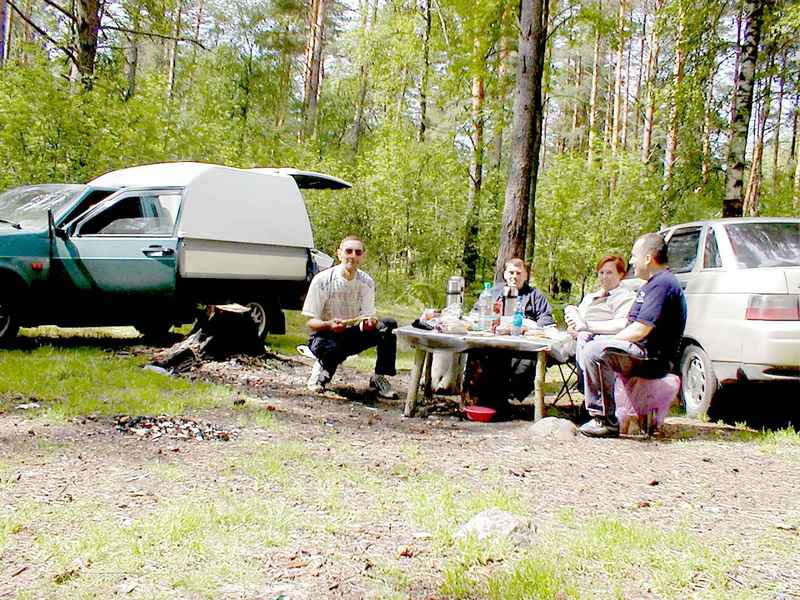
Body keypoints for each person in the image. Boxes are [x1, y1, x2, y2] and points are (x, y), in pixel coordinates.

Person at [579, 233, 687, 438]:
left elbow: (640, 330)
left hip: (652, 357)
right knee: (595, 344)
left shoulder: (662, 284)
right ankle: (604, 415)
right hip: (642, 352)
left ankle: (604, 420)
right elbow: (631, 325)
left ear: (648, 257)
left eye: (634, 255)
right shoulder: (653, 284)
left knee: (594, 351)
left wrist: (606, 342)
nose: (631, 261)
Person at [301, 235, 398, 398]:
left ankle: (379, 377)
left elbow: (366, 318)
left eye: (358, 252)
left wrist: (368, 324)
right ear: (339, 253)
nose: (353, 256)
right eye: (348, 251)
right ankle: (322, 371)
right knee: (331, 347)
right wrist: (329, 325)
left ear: (363, 256)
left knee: (389, 325)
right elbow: (311, 322)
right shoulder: (322, 280)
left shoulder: (366, 282)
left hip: (353, 333)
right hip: (325, 335)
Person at [463, 258, 554, 410]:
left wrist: (526, 327)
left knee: (527, 361)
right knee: (478, 352)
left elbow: (546, 320)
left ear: (525, 276)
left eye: (519, 273)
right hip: (492, 340)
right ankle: (476, 400)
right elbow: (475, 314)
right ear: (505, 274)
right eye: (511, 272)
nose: (514, 276)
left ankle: (503, 400)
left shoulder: (535, 296)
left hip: (522, 345)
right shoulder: (492, 293)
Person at [564, 255, 636, 381]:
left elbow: (620, 326)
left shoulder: (627, 297)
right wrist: (572, 325)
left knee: (585, 338)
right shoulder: (590, 297)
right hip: (578, 341)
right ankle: (588, 389)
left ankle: (592, 391)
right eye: (601, 272)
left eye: (609, 273)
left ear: (621, 274)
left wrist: (587, 330)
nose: (604, 277)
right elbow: (577, 321)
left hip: (606, 343)